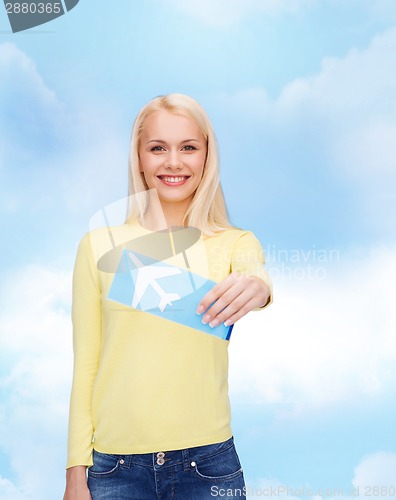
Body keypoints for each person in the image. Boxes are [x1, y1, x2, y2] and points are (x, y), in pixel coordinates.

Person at [64, 94, 273, 499]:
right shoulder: (98, 246)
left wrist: (259, 288)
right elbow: (86, 364)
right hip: (114, 470)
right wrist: (75, 473)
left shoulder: (234, 244)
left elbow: (255, 275)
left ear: (206, 158)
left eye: (188, 148)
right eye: (158, 147)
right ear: (139, 158)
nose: (173, 162)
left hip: (208, 466)